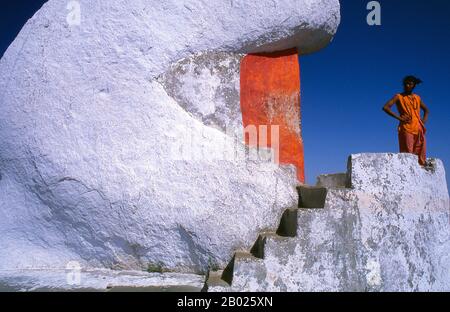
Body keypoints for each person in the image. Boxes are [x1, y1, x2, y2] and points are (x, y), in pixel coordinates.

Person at [383, 75, 429, 166]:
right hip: (407, 128)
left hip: (419, 128)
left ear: (414, 85)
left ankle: (419, 173)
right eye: (406, 84)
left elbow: (426, 110)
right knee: (408, 153)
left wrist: (423, 121)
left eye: (410, 84)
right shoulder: (399, 96)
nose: (407, 85)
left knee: (420, 152)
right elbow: (386, 107)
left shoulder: (417, 97)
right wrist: (399, 118)